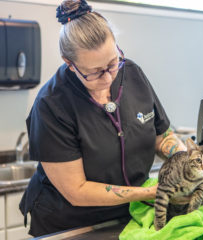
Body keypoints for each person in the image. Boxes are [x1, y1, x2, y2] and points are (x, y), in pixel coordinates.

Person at [19, 0, 186, 237]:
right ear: (70, 64)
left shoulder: (133, 73)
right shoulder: (51, 105)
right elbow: (76, 190)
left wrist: (184, 159)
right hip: (72, 224)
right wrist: (152, 193)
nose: (108, 78)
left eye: (112, 63)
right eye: (96, 72)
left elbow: (161, 135)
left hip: (130, 216)